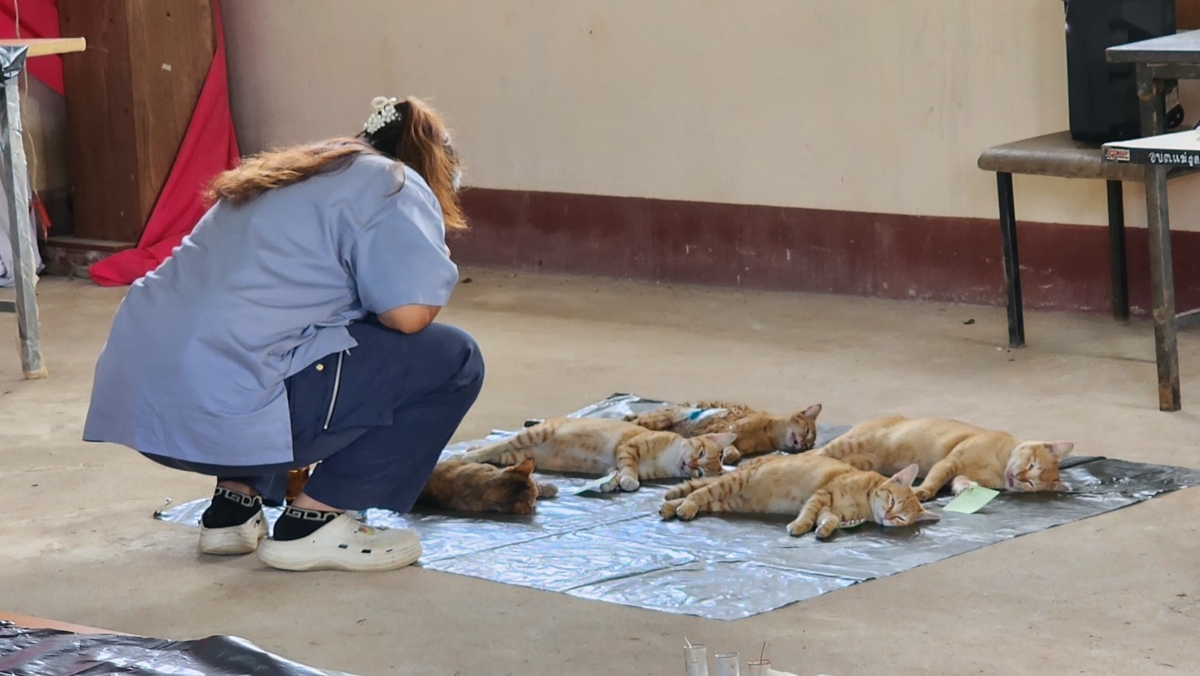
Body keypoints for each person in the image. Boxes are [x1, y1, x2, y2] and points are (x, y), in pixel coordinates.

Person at [83, 96, 483, 572]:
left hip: (145, 397)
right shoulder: (394, 182)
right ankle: (315, 522)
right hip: (220, 398)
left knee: (287, 330)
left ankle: (233, 507)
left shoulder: (293, 172)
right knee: (453, 359)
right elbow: (409, 315)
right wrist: (433, 263)